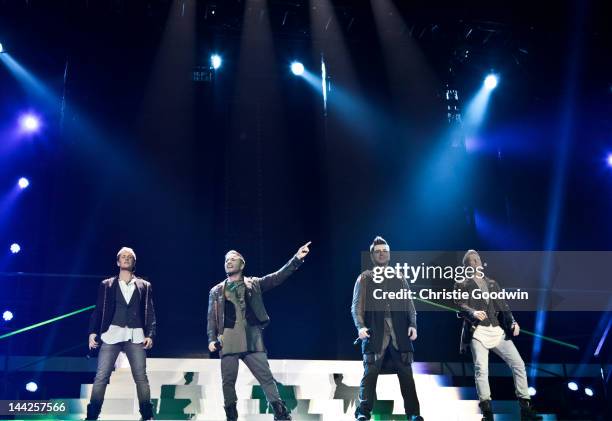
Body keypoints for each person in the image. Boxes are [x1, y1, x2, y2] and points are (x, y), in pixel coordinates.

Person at [207, 242, 311, 421]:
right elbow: (211, 317)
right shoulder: (216, 290)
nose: (229, 262)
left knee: (266, 378)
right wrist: (211, 338)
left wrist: (296, 259)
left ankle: (281, 415)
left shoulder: (254, 284)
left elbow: (277, 277)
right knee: (228, 382)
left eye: (233, 259)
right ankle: (231, 416)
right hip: (228, 340)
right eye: (226, 260)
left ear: (242, 264)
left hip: (252, 338)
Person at [454, 249, 541, 421]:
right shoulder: (461, 283)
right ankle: (487, 412)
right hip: (477, 331)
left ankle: (525, 408)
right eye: (471, 260)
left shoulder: (492, 283)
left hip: (495, 329)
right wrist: (473, 312)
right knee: (481, 369)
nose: (475, 262)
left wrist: (513, 322)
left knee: (518, 364)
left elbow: (503, 306)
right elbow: (459, 304)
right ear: (466, 266)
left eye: (477, 259)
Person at [351, 236, 423, 421]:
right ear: (372, 255)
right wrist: (360, 327)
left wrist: (413, 325)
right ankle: (363, 412)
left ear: (389, 254)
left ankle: (413, 414)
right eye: (378, 251)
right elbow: (356, 306)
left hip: (399, 332)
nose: (381, 253)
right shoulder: (364, 278)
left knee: (406, 375)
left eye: (385, 250)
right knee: (370, 374)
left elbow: (409, 305)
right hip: (375, 332)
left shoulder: (399, 277)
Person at [86, 247, 156, 420]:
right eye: (123, 257)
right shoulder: (107, 284)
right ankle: (92, 415)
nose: (126, 259)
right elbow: (98, 310)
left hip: (136, 335)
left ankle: (147, 415)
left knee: (141, 377)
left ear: (134, 262)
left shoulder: (144, 285)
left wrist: (150, 334)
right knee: (101, 376)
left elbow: (150, 311)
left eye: (129, 257)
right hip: (112, 334)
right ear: (118, 262)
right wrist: (92, 332)